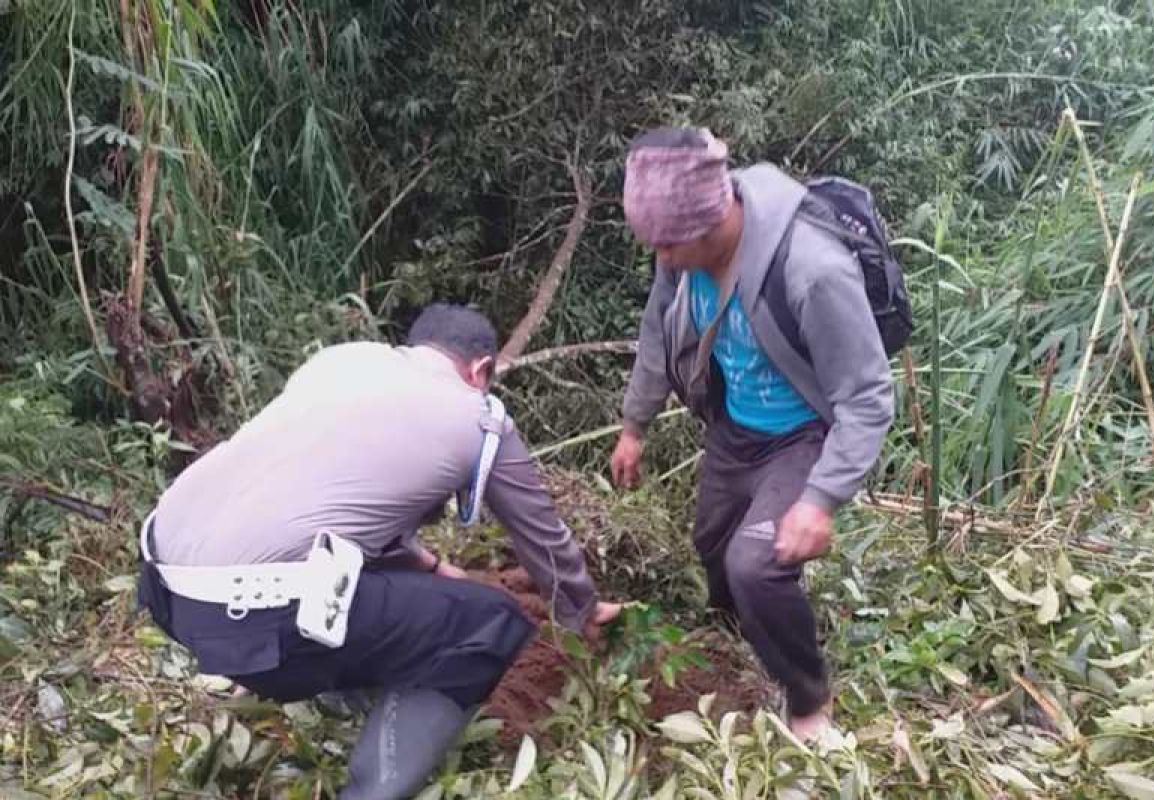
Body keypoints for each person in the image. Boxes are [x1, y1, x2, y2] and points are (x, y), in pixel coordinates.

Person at [137, 303, 621, 799]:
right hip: (254, 617)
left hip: (161, 583)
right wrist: (579, 607)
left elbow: (334, 504)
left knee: (375, 593)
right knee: (492, 619)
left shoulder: (342, 362)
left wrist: (431, 566)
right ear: (481, 370)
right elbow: (541, 534)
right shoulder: (481, 419)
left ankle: (336, 697)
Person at [610, 127, 895, 740]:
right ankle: (738, 647)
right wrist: (634, 425)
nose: (659, 260)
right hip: (735, 428)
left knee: (755, 564)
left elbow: (868, 395)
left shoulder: (812, 269)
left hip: (803, 435)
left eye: (665, 245)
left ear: (710, 226)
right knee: (712, 544)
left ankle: (808, 700)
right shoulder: (681, 256)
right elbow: (658, 335)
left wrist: (820, 500)